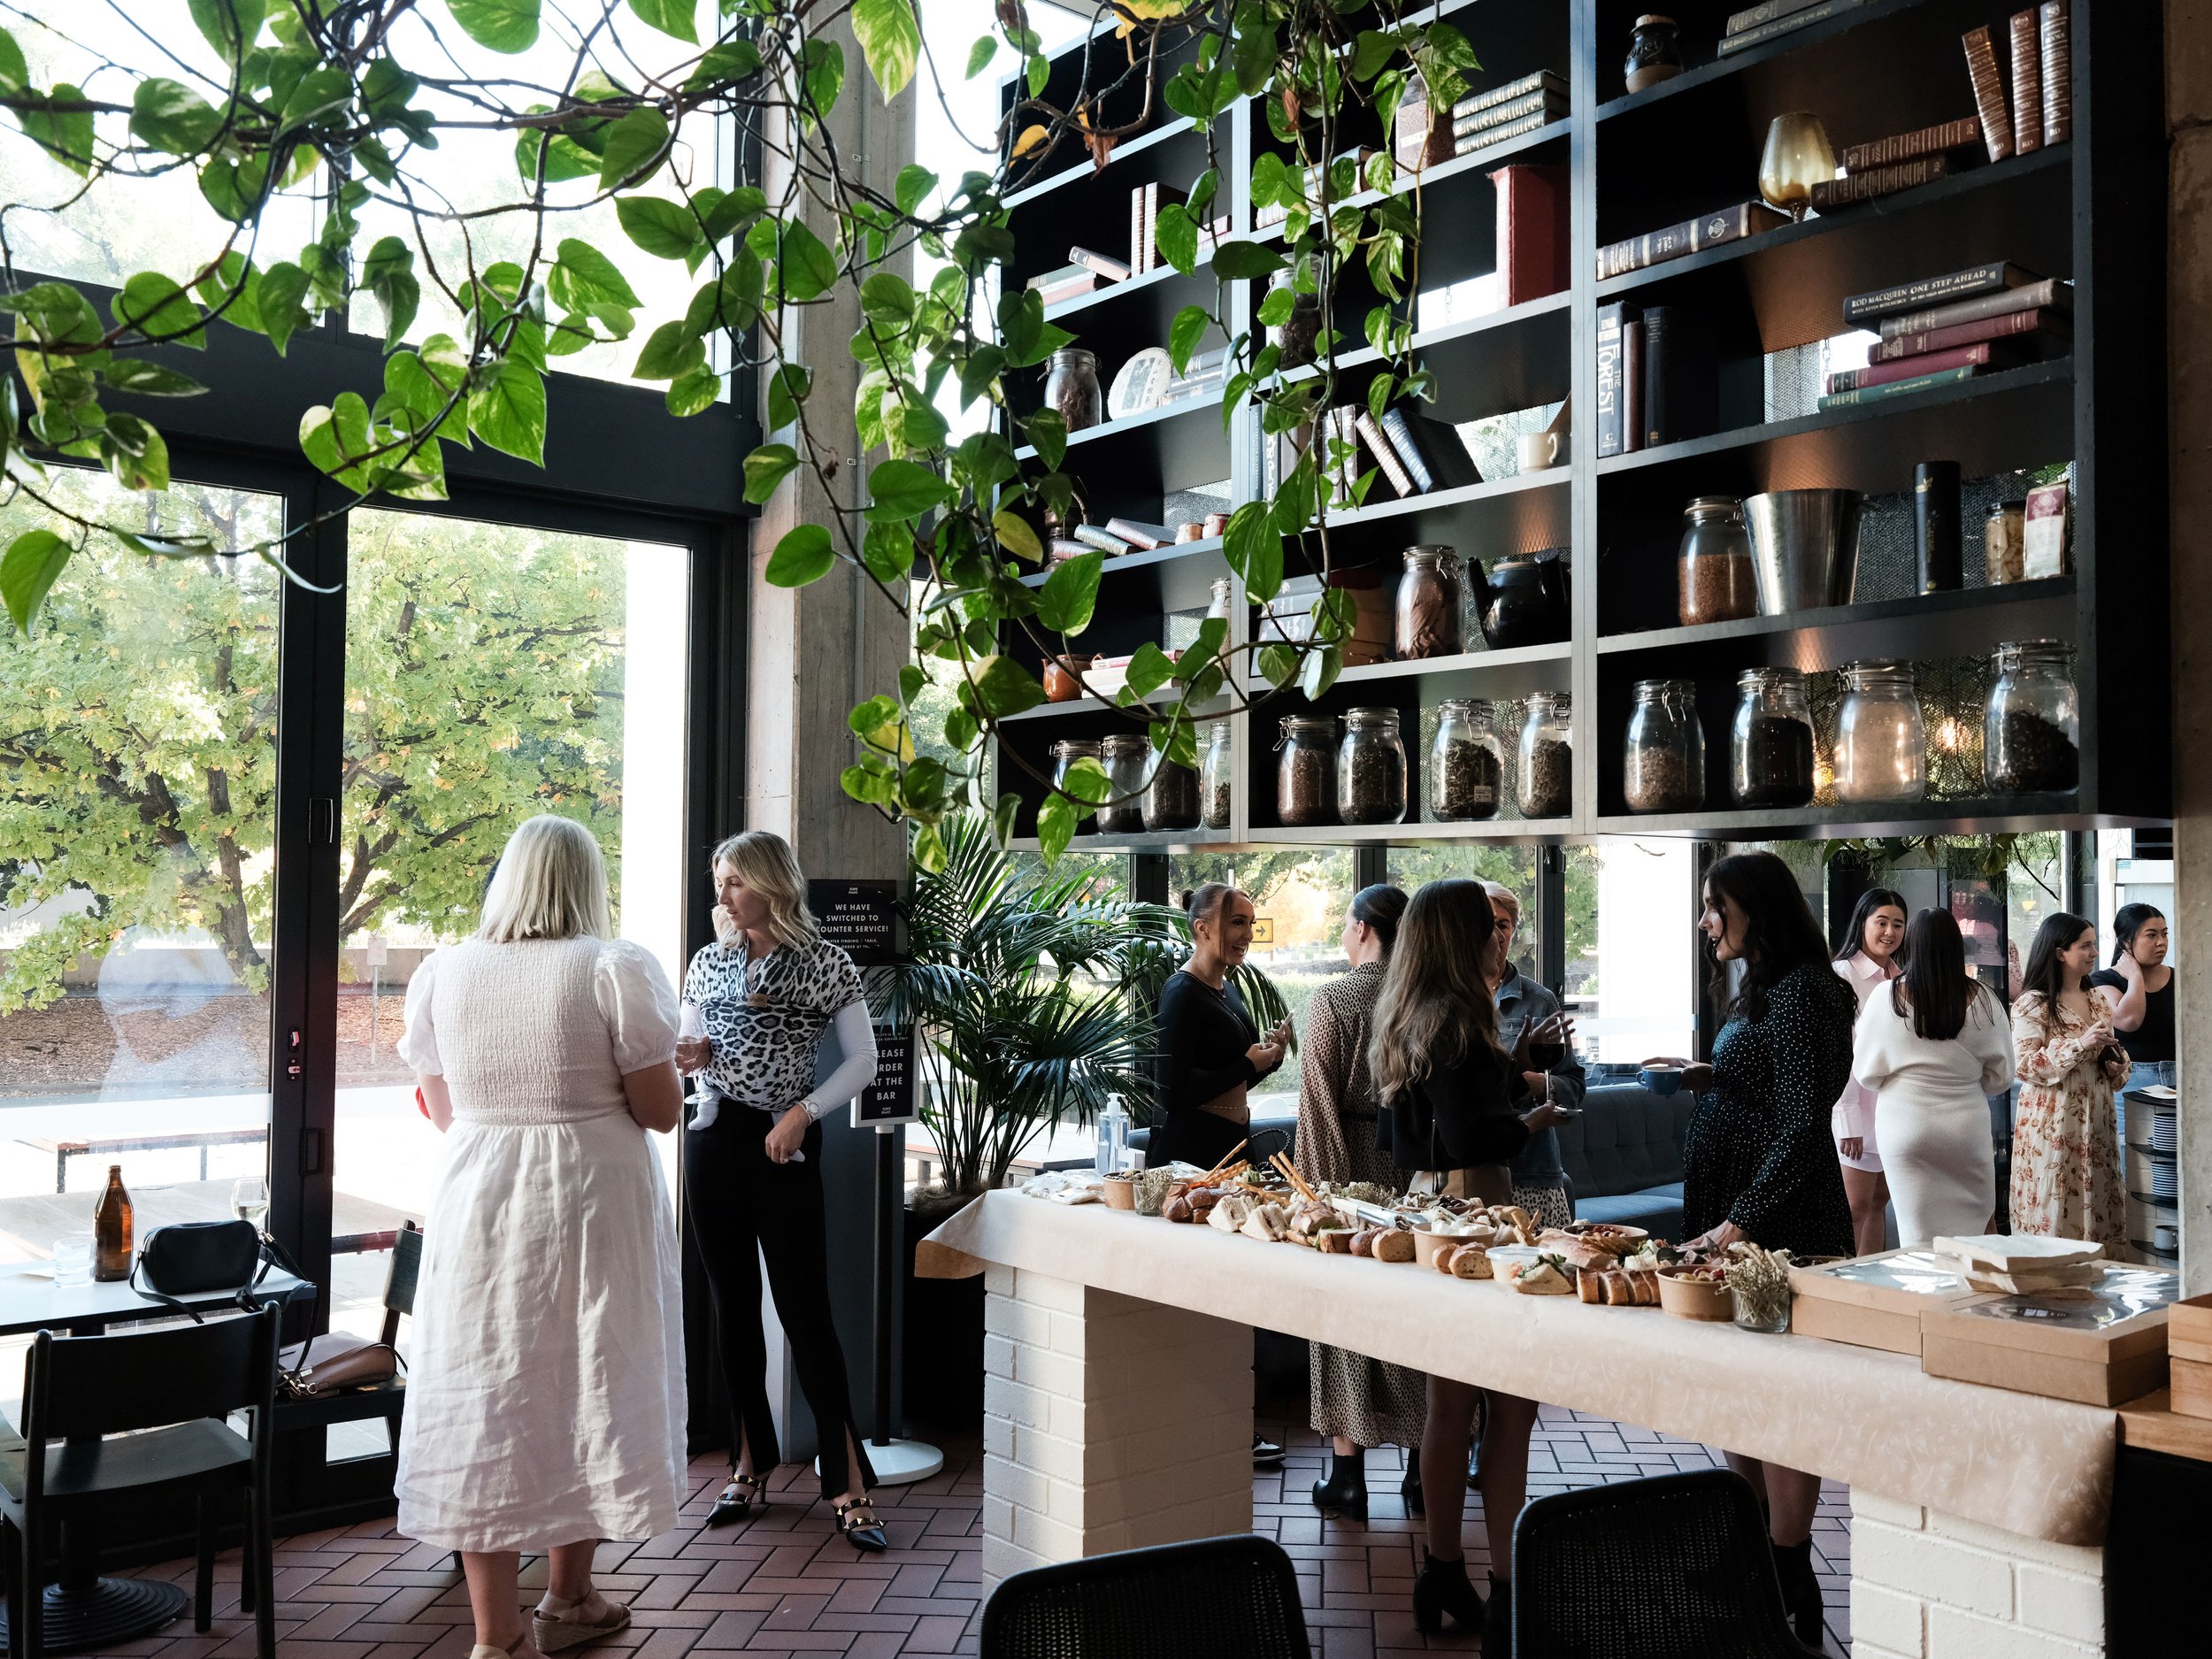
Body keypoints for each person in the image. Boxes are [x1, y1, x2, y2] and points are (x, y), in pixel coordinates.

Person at [396, 815, 687, 1659]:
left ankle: (498, 1636)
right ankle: (569, 1595)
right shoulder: (610, 966)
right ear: (586, 880)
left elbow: (444, 1108)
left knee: (485, 1392)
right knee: (590, 1376)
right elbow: (660, 1112)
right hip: (593, 1201)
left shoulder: (445, 971)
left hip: (481, 1198)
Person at [676, 831, 890, 1552]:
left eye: (735, 880)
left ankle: (848, 1480)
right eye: (719, 881)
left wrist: (804, 1112)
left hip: (785, 1141)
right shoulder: (707, 961)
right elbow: (691, 1047)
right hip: (714, 1142)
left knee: (806, 1313)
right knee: (732, 1309)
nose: (722, 894)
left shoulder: (827, 961)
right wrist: (692, 1054)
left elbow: (864, 1059)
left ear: (772, 882)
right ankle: (750, 1461)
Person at [1370, 879, 1567, 1651]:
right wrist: (1531, 1120)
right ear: (1459, 934)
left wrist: (1513, 1064)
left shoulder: (1412, 1011)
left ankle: (1443, 1571)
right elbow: (1472, 1135)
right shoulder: (1456, 1018)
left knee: (1448, 1404)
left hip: (1428, 1210)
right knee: (1512, 1408)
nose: (1498, 935)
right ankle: (1510, 1595)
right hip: (1475, 1209)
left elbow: (1423, 1125)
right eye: (1486, 925)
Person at [1678, 850, 1856, 1649]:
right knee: (1740, 1384)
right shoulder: (1768, 986)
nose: (1705, 921)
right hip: (1742, 1214)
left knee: (1785, 1395)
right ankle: (1751, 1547)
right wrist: (1709, 1079)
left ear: (1758, 907)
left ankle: (1789, 1567)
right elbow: (1765, 1088)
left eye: (1715, 905)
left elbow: (1801, 1124)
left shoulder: (1802, 993)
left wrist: (1738, 1222)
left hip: (1781, 1223)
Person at [1296, 884, 1423, 1523]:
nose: (1344, 936)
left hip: (1348, 1169)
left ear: (1365, 929)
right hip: (1413, 1176)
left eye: (1346, 925)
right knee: (1416, 1317)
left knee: (1343, 1316)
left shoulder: (1334, 998)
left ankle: (1349, 1476)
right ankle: (1424, 1470)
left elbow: (1318, 1102)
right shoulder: (1424, 997)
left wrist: (1320, 1196)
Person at [1851, 908, 2015, 1246]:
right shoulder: (1985, 999)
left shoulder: (1886, 996)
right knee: (1979, 1234)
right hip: (1966, 1129)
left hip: (1906, 1127)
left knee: (1918, 1237)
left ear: (1911, 945)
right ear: (1957, 947)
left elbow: (1866, 1073)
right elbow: (2001, 1078)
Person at [1151, 884, 1293, 1171]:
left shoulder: (1229, 990)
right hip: (1193, 1152)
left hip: (1235, 1144)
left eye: (1251, 923)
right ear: (1202, 928)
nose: (1249, 934)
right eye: (1237, 922)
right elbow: (1172, 1097)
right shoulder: (1182, 992)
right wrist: (1247, 1065)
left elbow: (1232, 1083)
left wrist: (1270, 1060)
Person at [2010, 911, 2130, 1249]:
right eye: (2085, 946)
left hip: (2097, 1120)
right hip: (2053, 1125)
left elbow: (2115, 1064)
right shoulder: (2033, 1003)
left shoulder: (2097, 999)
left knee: (2099, 1204)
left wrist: (2116, 1062)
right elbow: (2025, 1066)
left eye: (2094, 945)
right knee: (2054, 1199)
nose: (2094, 953)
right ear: (2060, 952)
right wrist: (2079, 1045)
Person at [1484, 880, 1585, 1231]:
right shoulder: (1456, 1000)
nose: (1496, 935)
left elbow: (1575, 1086)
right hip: (1477, 1163)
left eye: (1503, 924)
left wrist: (1537, 1084)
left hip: (1532, 1167)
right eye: (1487, 924)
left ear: (1513, 931)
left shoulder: (1539, 1001)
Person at [1832, 888, 1909, 1256]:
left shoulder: (1902, 978)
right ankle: (1840, 1283)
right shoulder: (1843, 975)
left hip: (1892, 1109)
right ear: (1862, 923)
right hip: (1857, 1110)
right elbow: (1840, 1053)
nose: (1889, 932)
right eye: (1881, 922)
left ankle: (1873, 1279)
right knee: (1855, 1206)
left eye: (1898, 924)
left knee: (1879, 1202)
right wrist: (1847, 1120)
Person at [2090, 903, 2175, 1094]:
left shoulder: (2180, 978)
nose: (2161, 942)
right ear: (2126, 941)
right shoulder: (2103, 980)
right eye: (2151, 935)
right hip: (2129, 1081)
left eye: (2164, 934)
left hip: (2180, 1078)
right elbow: (2129, 1020)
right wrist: (2135, 975)